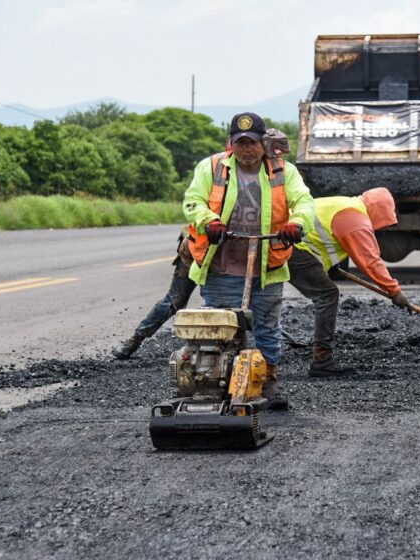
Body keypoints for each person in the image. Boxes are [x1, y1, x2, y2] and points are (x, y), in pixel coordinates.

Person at [183, 112, 315, 409]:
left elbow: (303, 201)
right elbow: (192, 200)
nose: (247, 149)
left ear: (263, 143)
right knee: (219, 328)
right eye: (240, 143)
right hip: (223, 263)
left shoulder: (284, 171)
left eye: (252, 143)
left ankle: (268, 380)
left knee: (268, 326)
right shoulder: (213, 167)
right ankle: (213, 380)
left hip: (267, 264)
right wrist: (209, 220)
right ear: (231, 143)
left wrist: (297, 223)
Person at [289, 187, 411, 377]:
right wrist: (394, 291)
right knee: (328, 296)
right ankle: (322, 360)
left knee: (262, 295)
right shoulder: (354, 218)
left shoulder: (345, 204)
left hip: (285, 243)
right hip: (293, 249)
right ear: (380, 212)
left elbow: (323, 237)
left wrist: (330, 266)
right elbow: (369, 261)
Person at [111, 231, 196, 359]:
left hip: (224, 255)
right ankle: (135, 340)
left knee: (218, 306)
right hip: (195, 248)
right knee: (174, 300)